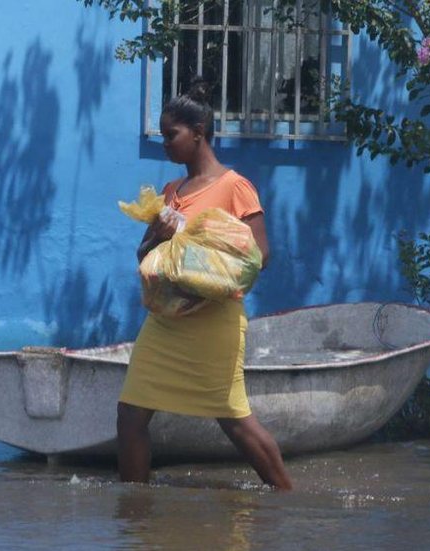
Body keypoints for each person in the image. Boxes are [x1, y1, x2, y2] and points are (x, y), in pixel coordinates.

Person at [117, 80, 293, 490]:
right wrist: (158, 236)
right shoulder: (170, 193)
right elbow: (146, 258)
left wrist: (209, 275)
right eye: (161, 135)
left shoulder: (234, 187)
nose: (165, 144)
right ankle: (134, 512)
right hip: (166, 322)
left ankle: (286, 496)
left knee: (233, 420)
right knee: (130, 415)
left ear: (198, 133)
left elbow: (261, 254)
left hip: (213, 321)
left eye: (171, 134)